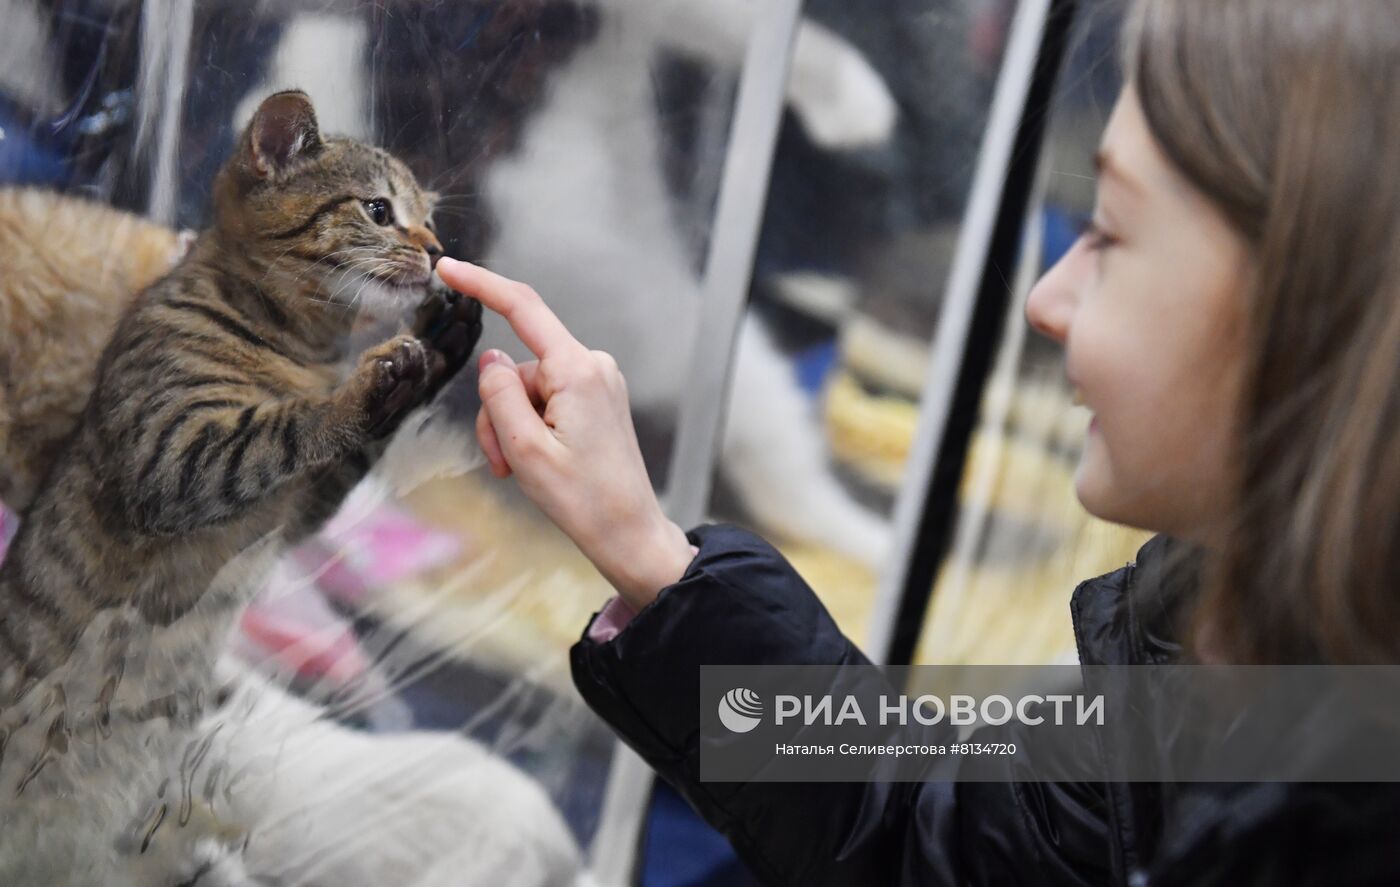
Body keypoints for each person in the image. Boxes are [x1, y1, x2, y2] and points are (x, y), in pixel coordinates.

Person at [435, 0, 1400, 883]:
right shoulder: (1214, 640)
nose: (1047, 299)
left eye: (1109, 233)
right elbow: (936, 836)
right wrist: (653, 558)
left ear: (1314, 306)